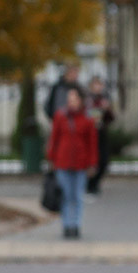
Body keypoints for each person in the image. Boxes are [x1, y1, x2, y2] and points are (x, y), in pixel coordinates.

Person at [46, 88, 98, 239]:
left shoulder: (88, 119)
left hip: (81, 163)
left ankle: (76, 225)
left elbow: (92, 143)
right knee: (65, 196)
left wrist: (92, 163)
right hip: (63, 162)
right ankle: (66, 225)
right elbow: (54, 139)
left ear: (81, 101)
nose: (71, 102)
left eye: (74, 99)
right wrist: (51, 158)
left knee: (77, 196)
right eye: (69, 99)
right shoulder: (60, 116)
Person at [85, 76, 115, 195]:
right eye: (95, 85)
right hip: (90, 133)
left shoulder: (104, 99)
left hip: (101, 132)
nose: (98, 87)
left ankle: (95, 183)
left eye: (99, 85)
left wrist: (107, 109)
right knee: (92, 160)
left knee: (103, 160)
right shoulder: (87, 100)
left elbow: (111, 119)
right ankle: (90, 184)